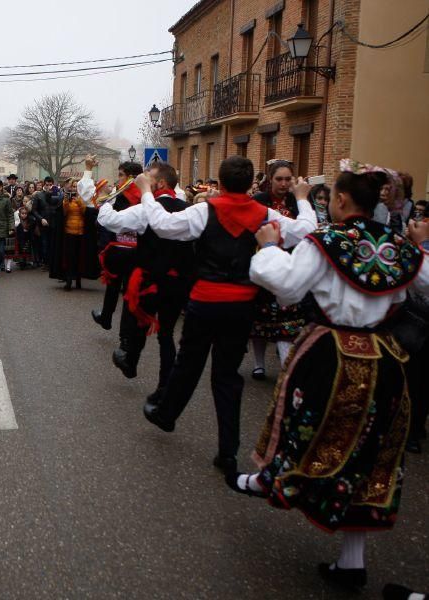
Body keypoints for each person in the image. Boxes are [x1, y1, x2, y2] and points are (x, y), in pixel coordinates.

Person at [229, 161, 429, 592]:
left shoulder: (326, 241)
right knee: (371, 455)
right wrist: (422, 246)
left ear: (339, 200)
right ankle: (351, 562)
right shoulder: (401, 246)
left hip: (332, 354)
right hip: (386, 359)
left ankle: (273, 481)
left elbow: (287, 286)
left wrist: (266, 247)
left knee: (301, 429)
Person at [140, 156, 317, 476]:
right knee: (227, 376)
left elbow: (163, 226)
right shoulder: (265, 215)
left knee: (189, 364)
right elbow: (305, 231)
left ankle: (167, 414)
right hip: (241, 306)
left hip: (204, 302)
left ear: (220, 183)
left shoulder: (205, 210)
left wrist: (146, 193)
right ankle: (228, 451)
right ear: (251, 184)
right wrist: (303, 200)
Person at [98, 164, 194, 393]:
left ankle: (131, 361)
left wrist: (104, 201)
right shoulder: (188, 208)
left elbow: (111, 221)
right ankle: (164, 389)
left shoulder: (147, 209)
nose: (142, 180)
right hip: (179, 282)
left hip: (152, 280)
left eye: (147, 178)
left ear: (160, 183)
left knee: (139, 321)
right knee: (167, 335)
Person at [250, 160, 308, 380]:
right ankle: (258, 364)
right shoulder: (259, 202)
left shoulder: (298, 202)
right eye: (279, 179)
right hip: (264, 263)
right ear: (270, 179)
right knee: (260, 320)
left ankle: (286, 367)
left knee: (287, 319)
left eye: (287, 179)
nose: (283, 184)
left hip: (289, 265)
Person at [93, 161, 143, 331]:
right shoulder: (145, 196)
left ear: (130, 177)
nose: (118, 179)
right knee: (125, 291)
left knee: (116, 287)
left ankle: (112, 323)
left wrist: (105, 201)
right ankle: (109, 321)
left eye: (121, 175)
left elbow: (111, 221)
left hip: (122, 249)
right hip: (136, 251)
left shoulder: (124, 195)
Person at [49, 158, 101, 290]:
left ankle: (78, 279)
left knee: (80, 257)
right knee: (69, 257)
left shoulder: (81, 200)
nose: (73, 188)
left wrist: (79, 202)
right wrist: (66, 202)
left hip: (81, 232)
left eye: (75, 186)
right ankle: (68, 280)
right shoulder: (66, 199)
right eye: (72, 186)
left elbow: (85, 212)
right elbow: (64, 213)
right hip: (69, 232)